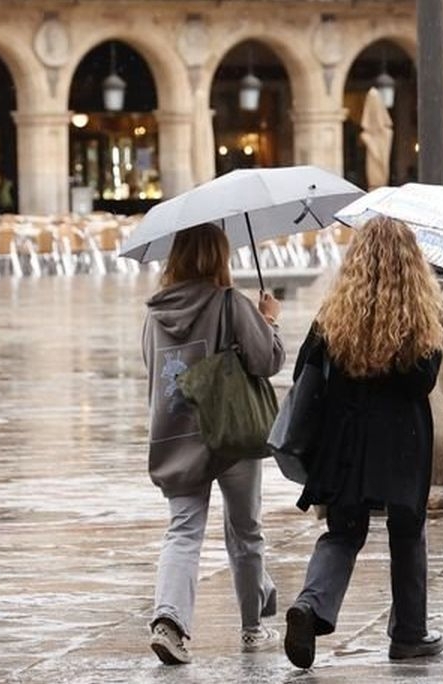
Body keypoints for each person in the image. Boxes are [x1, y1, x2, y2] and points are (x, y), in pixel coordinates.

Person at [283, 216, 443, 670]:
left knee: (343, 531)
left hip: (346, 439)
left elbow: (304, 375)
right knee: (407, 531)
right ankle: (410, 634)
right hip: (403, 441)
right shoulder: (419, 317)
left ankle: (312, 605)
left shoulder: (334, 313)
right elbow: (422, 383)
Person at [140, 223, 285, 664]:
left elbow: (152, 369)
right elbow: (267, 360)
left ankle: (169, 621)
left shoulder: (155, 313)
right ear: (219, 257)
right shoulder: (229, 302)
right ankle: (251, 629)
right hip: (231, 429)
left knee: (183, 530)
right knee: (245, 531)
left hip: (177, 433)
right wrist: (269, 322)